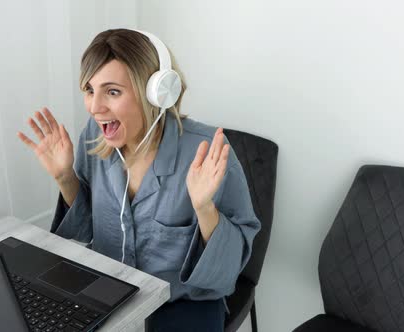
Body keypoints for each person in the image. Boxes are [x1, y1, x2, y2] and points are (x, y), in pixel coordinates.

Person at [17, 28, 260, 332]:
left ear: (156, 92)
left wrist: (204, 207)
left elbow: (229, 269)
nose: (95, 107)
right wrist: (66, 178)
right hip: (108, 288)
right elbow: (84, 231)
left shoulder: (208, 152)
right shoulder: (94, 138)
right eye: (90, 90)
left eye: (113, 91)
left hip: (183, 301)